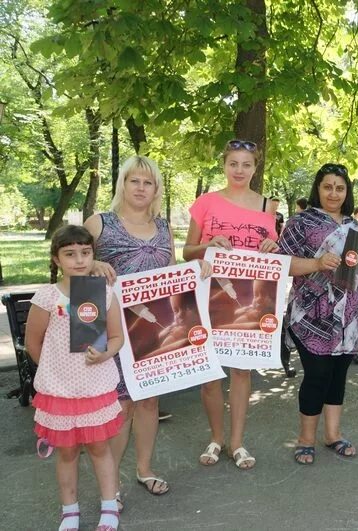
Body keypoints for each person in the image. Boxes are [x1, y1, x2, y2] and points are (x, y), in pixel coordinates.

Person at [85, 155, 177, 506]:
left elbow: (171, 274)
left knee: (149, 402)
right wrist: (92, 262)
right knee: (121, 406)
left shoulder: (165, 227)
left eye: (148, 182)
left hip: (152, 330)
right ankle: (112, 488)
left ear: (156, 189)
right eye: (134, 180)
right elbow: (67, 262)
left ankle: (145, 469)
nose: (140, 187)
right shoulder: (99, 224)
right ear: (122, 183)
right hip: (108, 331)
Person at [183, 139, 278, 470]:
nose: (239, 170)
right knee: (210, 373)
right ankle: (216, 437)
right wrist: (208, 244)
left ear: (255, 167)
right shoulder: (206, 201)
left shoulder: (268, 205)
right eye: (233, 163)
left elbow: (273, 251)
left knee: (241, 370)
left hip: (251, 298)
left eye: (246, 164)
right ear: (224, 165)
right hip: (210, 295)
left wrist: (271, 245)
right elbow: (187, 251)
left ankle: (237, 442)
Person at [277, 163, 358, 465]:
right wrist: (317, 264)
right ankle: (305, 439)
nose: (333, 193)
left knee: (337, 376)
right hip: (311, 315)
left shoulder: (356, 227)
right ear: (318, 189)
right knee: (317, 375)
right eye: (328, 186)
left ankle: (332, 434)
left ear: (347, 192)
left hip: (350, 315)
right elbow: (283, 263)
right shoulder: (301, 222)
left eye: (340, 187)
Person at [25, 225, 125, 531]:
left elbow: (118, 336)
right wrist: (53, 371)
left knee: (99, 448)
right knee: (67, 452)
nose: (79, 260)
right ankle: (70, 510)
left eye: (85, 252)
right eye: (70, 254)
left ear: (93, 254)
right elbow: (33, 342)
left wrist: (106, 354)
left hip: (95, 388)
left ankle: (110, 506)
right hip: (60, 393)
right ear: (57, 259)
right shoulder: (46, 297)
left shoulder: (103, 294)